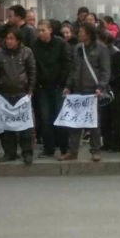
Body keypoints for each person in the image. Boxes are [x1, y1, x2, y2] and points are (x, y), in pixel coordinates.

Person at [61, 22, 111, 162]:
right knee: (75, 122)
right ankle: (73, 151)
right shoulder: (78, 47)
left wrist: (101, 87)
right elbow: (74, 69)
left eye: (81, 31)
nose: (79, 34)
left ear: (89, 33)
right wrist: (68, 86)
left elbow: (105, 70)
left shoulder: (101, 48)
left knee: (93, 123)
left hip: (93, 91)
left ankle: (95, 150)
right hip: (78, 90)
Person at [0, 28, 36, 164]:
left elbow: (32, 71)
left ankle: (27, 152)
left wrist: (30, 89)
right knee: (7, 126)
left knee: (25, 126)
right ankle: (9, 153)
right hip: (4, 94)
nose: (9, 41)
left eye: (12, 38)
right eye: (7, 38)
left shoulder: (27, 52)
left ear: (18, 40)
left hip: (22, 94)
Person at [32, 20, 71, 158]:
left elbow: (67, 63)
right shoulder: (35, 46)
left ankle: (64, 148)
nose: (40, 33)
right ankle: (48, 148)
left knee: (60, 117)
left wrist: (64, 83)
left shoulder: (61, 44)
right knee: (45, 118)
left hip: (59, 86)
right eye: (39, 30)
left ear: (50, 30)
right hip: (42, 87)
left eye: (43, 30)